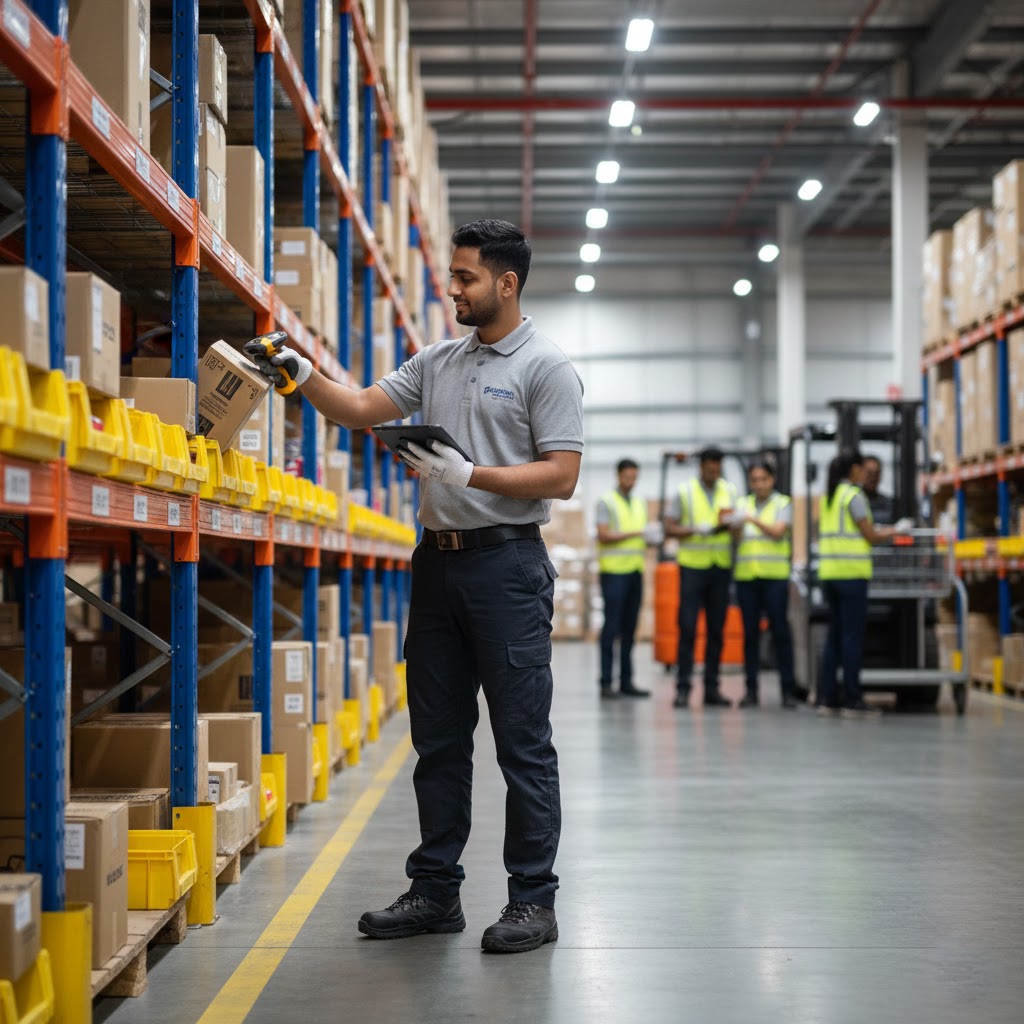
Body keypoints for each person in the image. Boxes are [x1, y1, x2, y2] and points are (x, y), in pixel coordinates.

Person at [250, 219, 583, 954]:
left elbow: (561, 474)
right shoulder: (437, 359)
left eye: (465, 278)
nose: (453, 290)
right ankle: (436, 891)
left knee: (522, 744)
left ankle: (532, 899)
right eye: (452, 277)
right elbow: (363, 408)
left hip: (506, 568)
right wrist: (300, 374)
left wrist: (470, 475)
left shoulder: (546, 367)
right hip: (436, 562)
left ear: (506, 282)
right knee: (436, 739)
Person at [816, 450, 898, 719]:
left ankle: (827, 698)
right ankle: (853, 698)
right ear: (853, 469)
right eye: (863, 468)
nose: (866, 474)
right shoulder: (854, 497)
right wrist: (896, 530)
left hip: (829, 574)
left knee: (834, 638)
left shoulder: (829, 497)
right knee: (852, 638)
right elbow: (871, 535)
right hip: (851, 575)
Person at [664, 447, 738, 709]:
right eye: (709, 469)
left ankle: (712, 688)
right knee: (688, 628)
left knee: (717, 631)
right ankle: (683, 688)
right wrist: (694, 530)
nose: (713, 473)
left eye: (717, 470)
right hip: (693, 568)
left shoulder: (729, 490)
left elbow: (735, 527)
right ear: (701, 467)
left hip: (720, 567)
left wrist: (735, 525)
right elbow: (669, 526)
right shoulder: (684, 492)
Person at [731, 461, 798, 709]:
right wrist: (735, 525)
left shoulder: (783, 504)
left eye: (763, 479)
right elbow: (736, 537)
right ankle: (750, 691)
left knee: (780, 634)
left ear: (772, 480)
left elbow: (778, 532)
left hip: (774, 578)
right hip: (747, 578)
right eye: (754, 480)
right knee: (750, 636)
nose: (759, 485)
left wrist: (751, 519)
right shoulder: (742, 504)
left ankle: (787, 691)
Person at [595, 458, 658, 700]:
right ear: (618, 475)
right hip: (613, 573)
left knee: (630, 628)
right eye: (627, 477)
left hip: (634, 571)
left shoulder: (639, 503)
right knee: (611, 628)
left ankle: (626, 681)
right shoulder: (606, 502)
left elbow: (641, 537)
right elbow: (603, 535)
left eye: (634, 478)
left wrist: (651, 537)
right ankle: (605, 683)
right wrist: (638, 533)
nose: (631, 482)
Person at [861, 455, 894, 525]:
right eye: (869, 473)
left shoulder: (887, 502)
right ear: (860, 473)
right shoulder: (854, 500)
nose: (873, 478)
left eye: (876, 473)